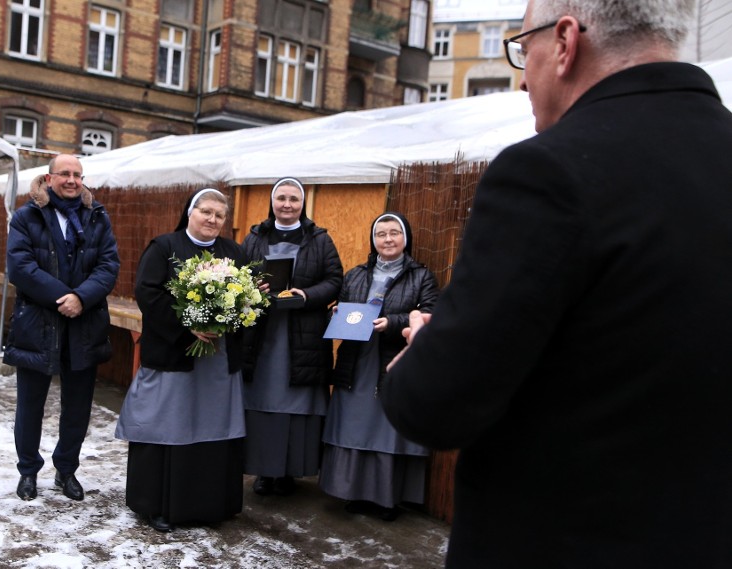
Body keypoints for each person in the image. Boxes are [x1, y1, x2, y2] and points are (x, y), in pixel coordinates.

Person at [380, 1, 732, 567]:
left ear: (565, 41)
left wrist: (426, 351)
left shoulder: (547, 174)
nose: (522, 78)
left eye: (524, 48)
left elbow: (434, 406)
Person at [115, 189, 247, 532]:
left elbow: (249, 299)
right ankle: (159, 505)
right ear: (190, 212)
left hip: (217, 362)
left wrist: (226, 320)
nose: (212, 219)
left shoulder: (233, 252)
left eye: (219, 215)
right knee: (169, 425)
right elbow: (148, 292)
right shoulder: (164, 247)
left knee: (213, 428)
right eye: (206, 211)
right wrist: (189, 326)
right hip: (174, 355)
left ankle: (210, 504)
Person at [4, 154, 120, 502]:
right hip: (38, 323)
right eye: (65, 174)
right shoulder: (27, 216)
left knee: (78, 405)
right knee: (30, 404)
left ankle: (66, 470)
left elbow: (108, 264)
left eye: (78, 175)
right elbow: (20, 267)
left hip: (83, 324)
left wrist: (82, 299)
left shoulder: (97, 216)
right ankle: (28, 471)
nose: (72, 180)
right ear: (49, 177)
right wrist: (64, 298)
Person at [319, 212, 438, 521]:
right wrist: (337, 316)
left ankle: (386, 499)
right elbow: (344, 306)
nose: (387, 239)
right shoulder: (356, 274)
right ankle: (353, 492)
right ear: (373, 240)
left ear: (405, 238)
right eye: (381, 234)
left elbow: (430, 313)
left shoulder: (421, 276)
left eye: (394, 233)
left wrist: (394, 322)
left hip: (392, 359)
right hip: (357, 359)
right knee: (355, 425)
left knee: (386, 430)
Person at [241, 177, 342, 496]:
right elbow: (237, 273)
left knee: (295, 403)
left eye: (293, 199)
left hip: (302, 334)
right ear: (272, 202)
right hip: (262, 333)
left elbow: (335, 279)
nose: (287, 204)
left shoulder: (319, 239)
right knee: (262, 402)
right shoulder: (255, 236)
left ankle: (289, 471)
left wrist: (307, 295)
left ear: (303, 204)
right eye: (281, 198)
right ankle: (264, 471)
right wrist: (250, 289)